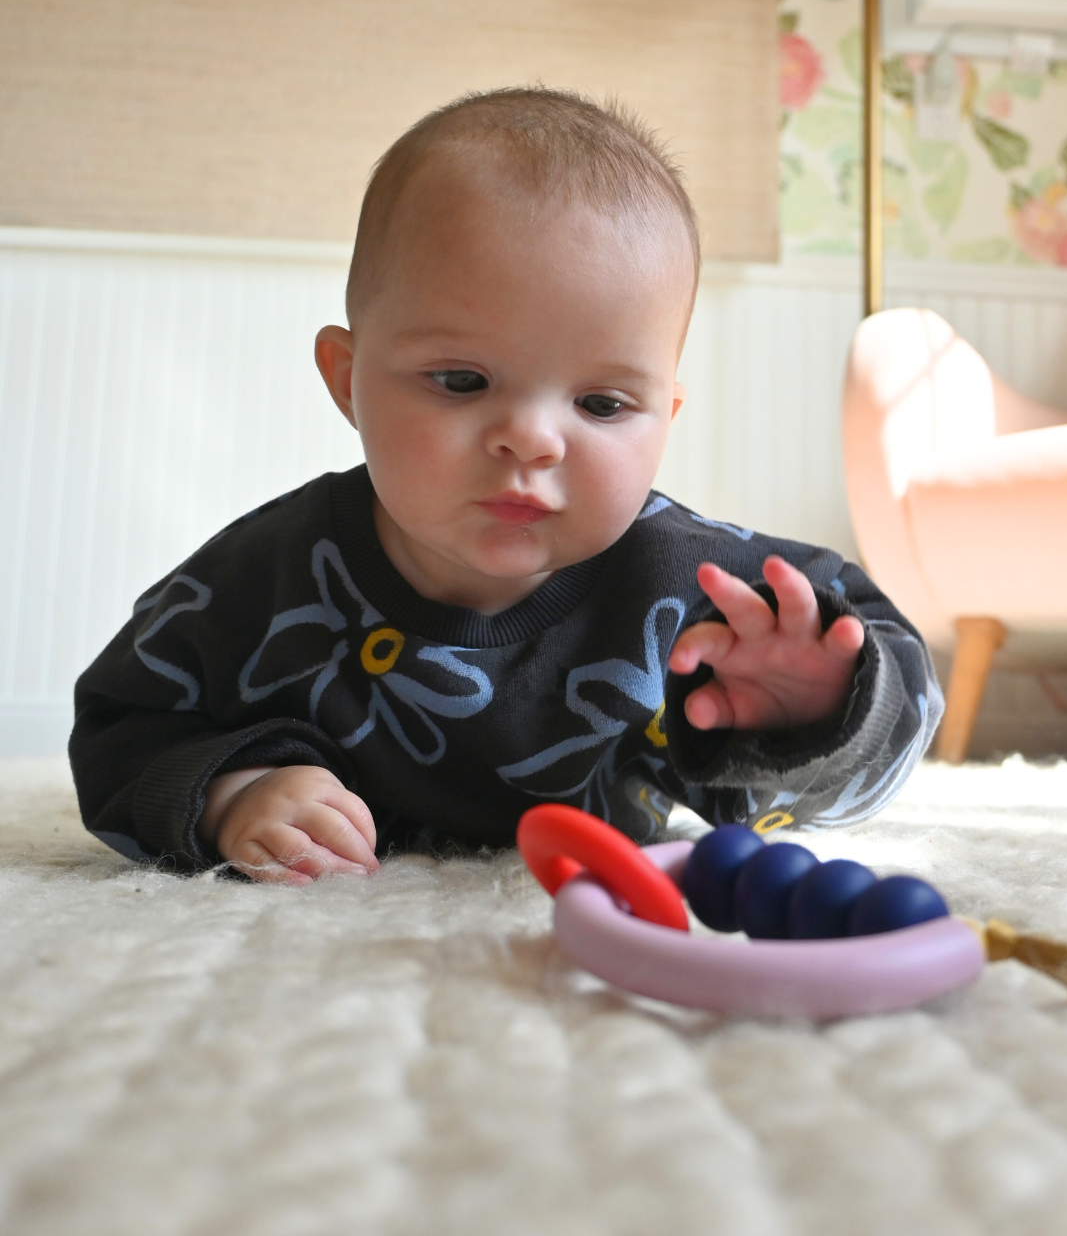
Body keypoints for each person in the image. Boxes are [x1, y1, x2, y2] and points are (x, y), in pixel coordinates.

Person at [69, 88, 943, 883]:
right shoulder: (269, 574)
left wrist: (820, 711)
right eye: (460, 380)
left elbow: (892, 708)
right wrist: (234, 792)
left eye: (601, 403)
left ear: (664, 418)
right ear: (346, 379)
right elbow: (119, 722)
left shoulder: (699, 595)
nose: (531, 438)